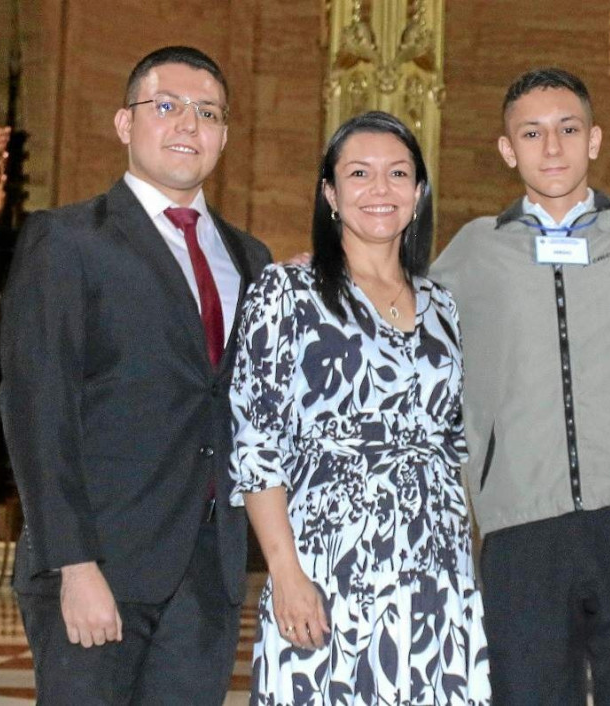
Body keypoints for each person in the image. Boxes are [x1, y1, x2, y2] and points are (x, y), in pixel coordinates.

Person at [0, 46, 271, 704]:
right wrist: (74, 562)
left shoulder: (251, 257)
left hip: (207, 572)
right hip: (100, 560)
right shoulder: (66, 241)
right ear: (125, 124)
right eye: (167, 106)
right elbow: (40, 409)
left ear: (225, 135)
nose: (188, 125)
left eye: (207, 113)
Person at [431, 68, 610, 704]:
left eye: (568, 129)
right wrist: (321, 270)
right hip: (521, 529)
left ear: (595, 139)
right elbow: (392, 314)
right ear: (506, 149)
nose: (552, 148)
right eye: (532, 133)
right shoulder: (470, 252)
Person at [229, 111, 490, 704]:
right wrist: (285, 574)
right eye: (360, 173)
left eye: (398, 173)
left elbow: (452, 446)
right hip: (329, 559)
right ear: (330, 192)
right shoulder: (286, 292)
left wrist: (464, 567)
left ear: (419, 192)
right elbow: (256, 443)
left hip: (435, 566)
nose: (380, 189)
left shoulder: (441, 304)